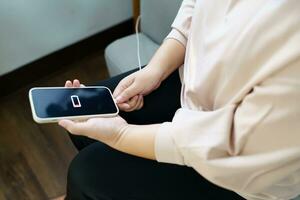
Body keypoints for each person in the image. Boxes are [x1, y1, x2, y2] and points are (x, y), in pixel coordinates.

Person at [58, 0, 300, 199]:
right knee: (81, 117)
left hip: (242, 170)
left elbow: (228, 146)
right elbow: (194, 9)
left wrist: (120, 135)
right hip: (195, 91)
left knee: (85, 176)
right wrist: (156, 69)